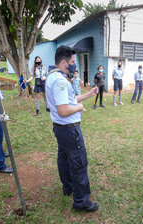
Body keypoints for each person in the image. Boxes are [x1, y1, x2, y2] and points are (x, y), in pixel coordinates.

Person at [45, 45, 99, 212]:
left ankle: (68, 187)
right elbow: (64, 110)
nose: (75, 65)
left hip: (61, 129)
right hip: (69, 129)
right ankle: (81, 201)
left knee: (64, 158)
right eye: (73, 62)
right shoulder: (60, 81)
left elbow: (69, 99)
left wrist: (88, 95)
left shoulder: (53, 76)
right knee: (79, 162)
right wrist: (80, 107)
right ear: (64, 62)